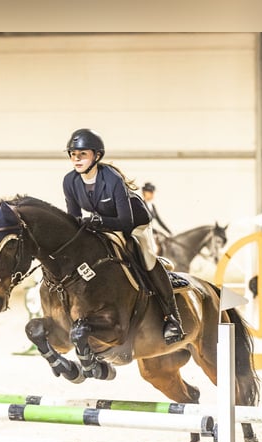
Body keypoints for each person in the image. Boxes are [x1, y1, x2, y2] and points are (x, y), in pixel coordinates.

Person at [62, 128, 184, 345]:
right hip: (103, 223)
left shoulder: (112, 179)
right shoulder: (70, 181)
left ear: (96, 156)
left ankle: (172, 317)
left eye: (82, 154)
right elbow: (74, 219)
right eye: (73, 154)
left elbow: (125, 222)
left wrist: (98, 222)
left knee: (145, 257)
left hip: (135, 224)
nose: (77, 159)